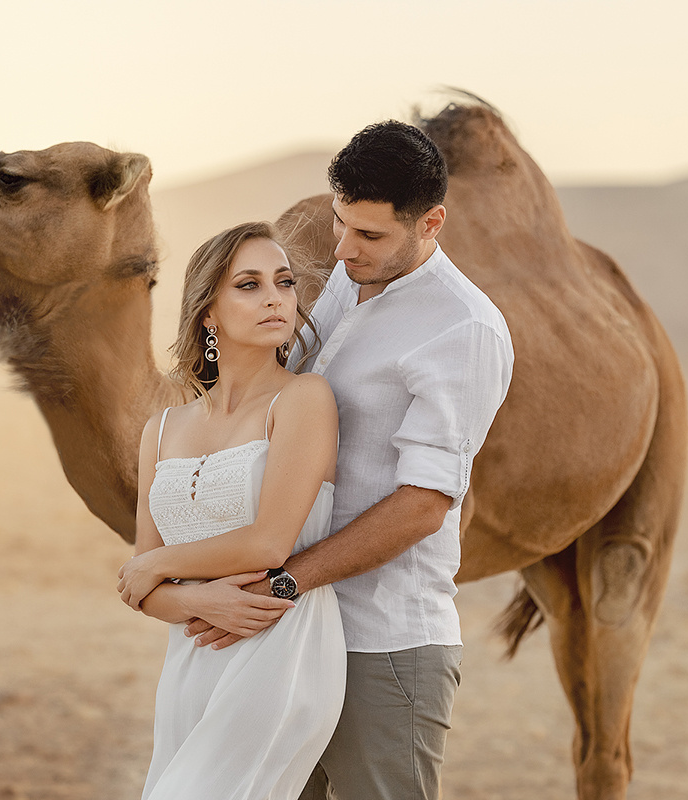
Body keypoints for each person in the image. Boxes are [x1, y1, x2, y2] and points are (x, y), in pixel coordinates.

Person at [181, 121, 514, 800]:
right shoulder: (344, 279)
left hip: (382, 643)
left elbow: (424, 505)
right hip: (291, 635)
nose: (344, 249)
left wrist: (281, 585)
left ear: (432, 223)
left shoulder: (464, 329)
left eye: (370, 236)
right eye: (340, 224)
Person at [117, 221, 347, 800]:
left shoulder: (303, 400)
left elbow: (270, 544)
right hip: (192, 657)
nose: (275, 298)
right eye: (249, 284)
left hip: (280, 649)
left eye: (285, 282)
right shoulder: (162, 429)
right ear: (207, 313)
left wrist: (158, 568)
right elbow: (145, 580)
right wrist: (194, 597)